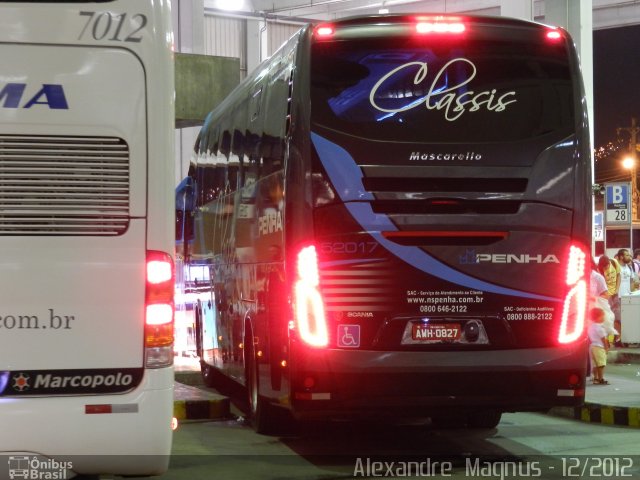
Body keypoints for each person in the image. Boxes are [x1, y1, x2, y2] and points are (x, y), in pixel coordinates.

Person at [588, 307, 610, 385]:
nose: (604, 317)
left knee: (594, 364)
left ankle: (596, 378)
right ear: (599, 317)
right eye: (603, 316)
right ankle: (601, 379)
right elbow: (604, 339)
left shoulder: (591, 326)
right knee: (601, 364)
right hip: (599, 347)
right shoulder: (600, 327)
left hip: (592, 346)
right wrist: (606, 348)